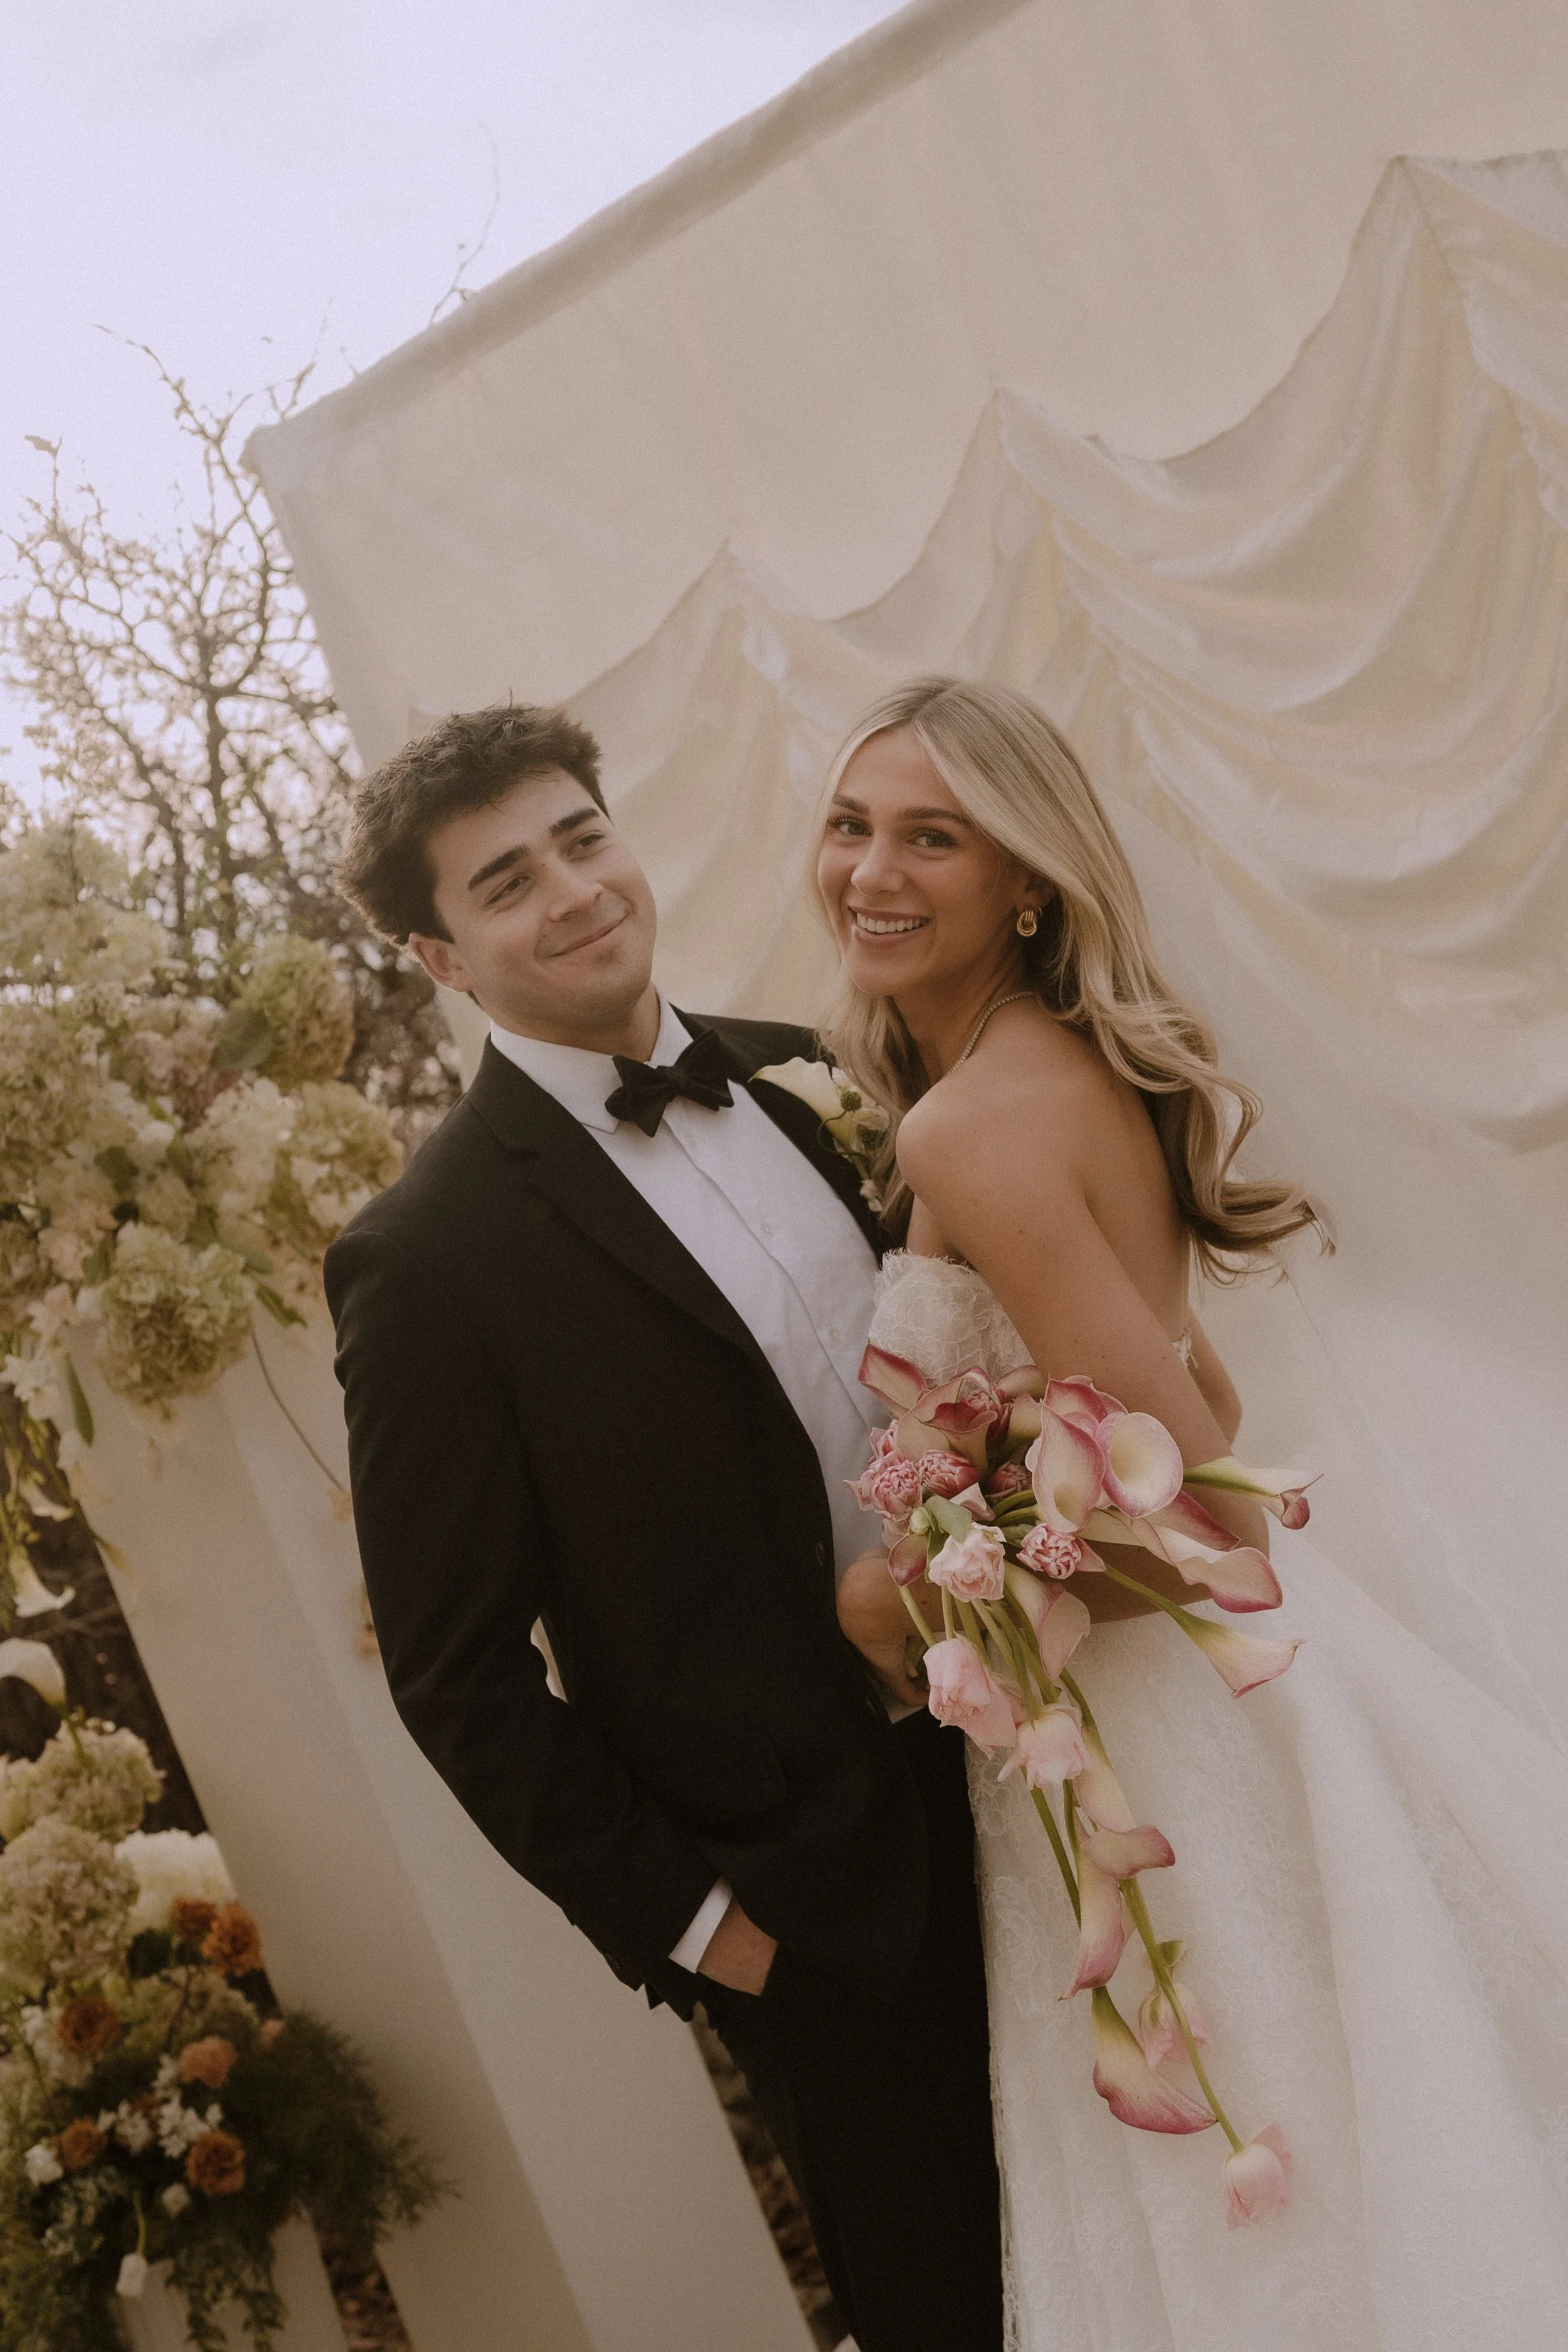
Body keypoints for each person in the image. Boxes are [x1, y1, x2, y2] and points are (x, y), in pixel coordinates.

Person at [819, 677, 1568, 2352]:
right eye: (851, 822)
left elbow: (1186, 1514)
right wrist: (1000, 1497)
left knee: (1301, 2200)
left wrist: (914, 1602)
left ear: (1025, 880)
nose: (869, 868)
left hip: (1170, 1753)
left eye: (928, 835)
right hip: (1205, 1709)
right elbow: (1201, 1406)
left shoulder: (967, 1123)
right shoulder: (1060, 1071)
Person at [325, 701, 1004, 2352]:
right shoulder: (426, 1265)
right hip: (827, 1910)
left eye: (578, 837)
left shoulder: (812, 1075)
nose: (570, 891)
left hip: (1042, 1775)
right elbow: (457, 1674)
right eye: (504, 881)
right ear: (440, 955)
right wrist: (714, 1935)